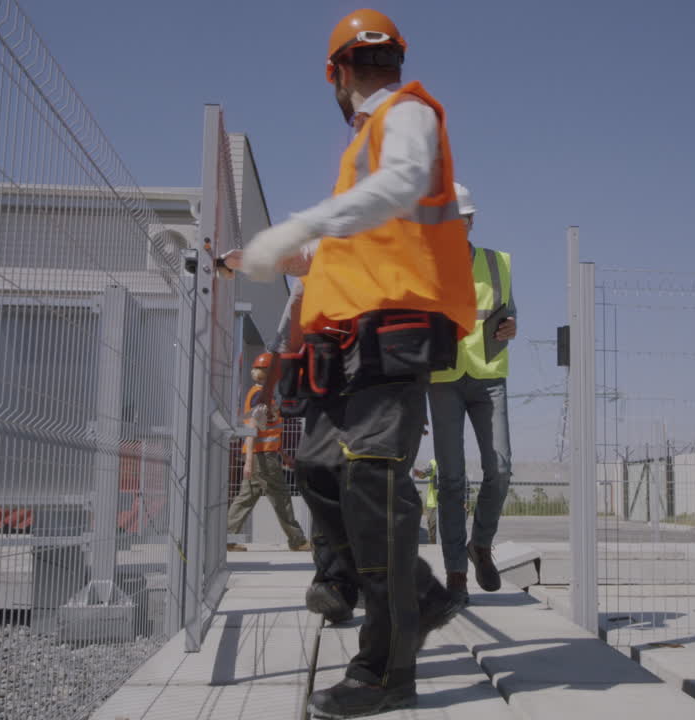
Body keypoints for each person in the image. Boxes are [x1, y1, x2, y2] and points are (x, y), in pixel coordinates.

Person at [224, 9, 476, 717]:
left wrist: (300, 224)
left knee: (373, 494)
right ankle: (420, 595)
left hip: (394, 335)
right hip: (346, 346)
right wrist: (265, 254)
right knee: (319, 473)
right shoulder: (363, 149)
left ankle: (384, 670)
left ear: (334, 73)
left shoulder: (407, 114)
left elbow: (403, 182)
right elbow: (342, 246)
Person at [426, 182, 517, 605]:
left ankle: (480, 544)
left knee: (501, 468)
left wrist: (512, 326)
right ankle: (456, 574)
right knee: (450, 479)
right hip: (443, 379)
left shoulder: (498, 263)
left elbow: (508, 314)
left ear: (470, 221)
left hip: (488, 376)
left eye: (460, 219)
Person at [226, 353, 311, 552]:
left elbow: (269, 429)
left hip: (263, 455)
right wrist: (249, 461)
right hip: (262, 457)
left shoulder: (261, 394)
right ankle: (297, 540)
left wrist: (283, 454)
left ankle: (227, 538)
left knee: (246, 498)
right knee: (281, 497)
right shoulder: (260, 396)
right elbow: (252, 427)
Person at [413, 459, 439, 544]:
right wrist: (419, 473)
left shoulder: (454, 462)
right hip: (433, 503)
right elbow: (425, 473)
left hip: (448, 503)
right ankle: (434, 545)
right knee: (432, 528)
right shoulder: (434, 463)